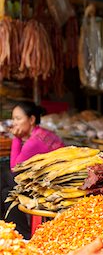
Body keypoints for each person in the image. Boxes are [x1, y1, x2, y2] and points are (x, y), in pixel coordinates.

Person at [4, 101, 65, 239]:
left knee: (6, 179)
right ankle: (13, 232)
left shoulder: (36, 141)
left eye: (18, 119)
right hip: (46, 180)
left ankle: (19, 233)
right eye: (13, 119)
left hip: (55, 185)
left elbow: (15, 168)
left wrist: (16, 138)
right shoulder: (40, 133)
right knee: (6, 191)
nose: (14, 123)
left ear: (31, 120)